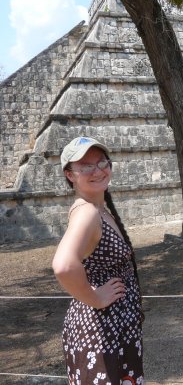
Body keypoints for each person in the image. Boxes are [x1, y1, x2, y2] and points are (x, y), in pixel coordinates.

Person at [52, 136, 144, 384]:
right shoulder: (87, 213)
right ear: (71, 175)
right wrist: (94, 297)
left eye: (102, 162)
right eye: (86, 166)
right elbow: (63, 265)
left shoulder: (98, 209)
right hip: (100, 333)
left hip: (113, 331)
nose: (98, 170)